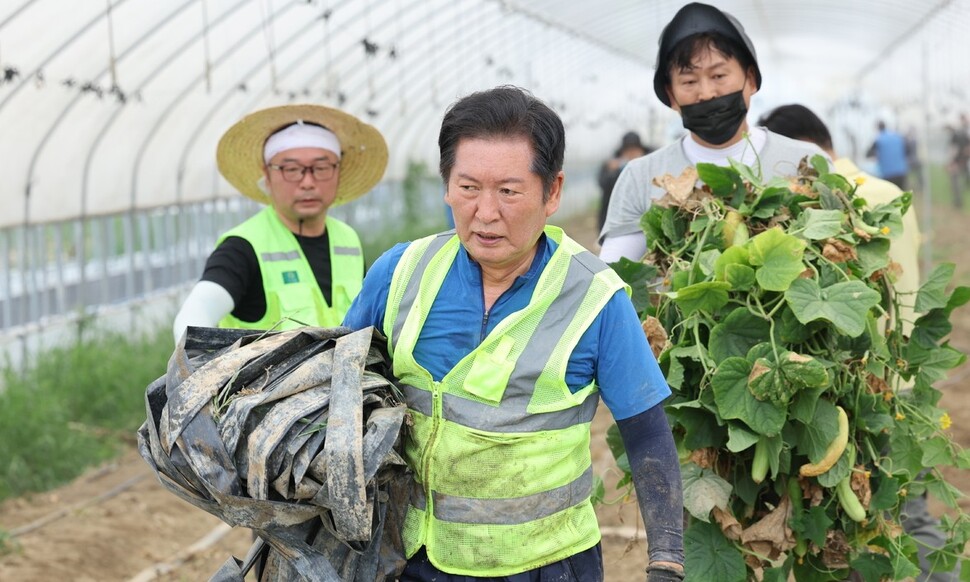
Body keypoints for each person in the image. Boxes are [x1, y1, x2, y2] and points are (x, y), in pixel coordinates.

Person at [342, 86, 685, 581]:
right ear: (446, 187)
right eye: (467, 188)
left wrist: (666, 562)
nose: (485, 212)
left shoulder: (595, 298)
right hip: (414, 559)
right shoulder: (400, 273)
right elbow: (338, 392)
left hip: (547, 564)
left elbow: (646, 430)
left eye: (508, 190)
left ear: (553, 192)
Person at [760, 104, 957, 582]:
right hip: (901, 377)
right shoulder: (888, 192)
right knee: (895, 509)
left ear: (803, 149)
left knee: (875, 517)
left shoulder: (824, 206)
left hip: (858, 388)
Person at [599, 2, 827, 263]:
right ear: (671, 95)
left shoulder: (807, 163)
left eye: (718, 76)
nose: (706, 93)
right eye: (689, 81)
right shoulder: (641, 176)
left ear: (750, 79)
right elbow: (613, 276)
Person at [172, 104, 388, 344]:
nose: (307, 182)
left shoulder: (348, 239)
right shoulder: (243, 246)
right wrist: (204, 370)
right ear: (267, 174)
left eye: (321, 168)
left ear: (338, 171)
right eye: (291, 169)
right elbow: (196, 313)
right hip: (265, 382)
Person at [598, 131, 650, 230]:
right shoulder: (612, 167)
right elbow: (603, 185)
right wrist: (612, 172)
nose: (632, 154)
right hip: (616, 223)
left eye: (635, 150)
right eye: (628, 151)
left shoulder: (649, 168)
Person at [866, 120, 909, 190]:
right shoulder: (897, 137)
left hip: (888, 174)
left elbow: (868, 154)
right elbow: (907, 151)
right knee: (902, 196)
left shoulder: (878, 140)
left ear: (878, 128)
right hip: (901, 172)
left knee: (891, 198)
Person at [946, 113, 970, 210]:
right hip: (960, 161)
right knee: (956, 182)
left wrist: (952, 161)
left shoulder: (961, 134)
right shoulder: (961, 133)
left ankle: (958, 201)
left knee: (956, 182)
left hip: (961, 161)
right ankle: (958, 201)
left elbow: (955, 149)